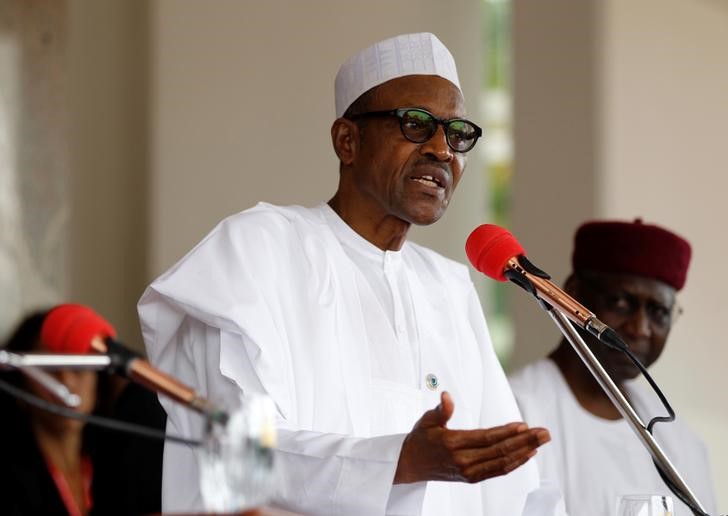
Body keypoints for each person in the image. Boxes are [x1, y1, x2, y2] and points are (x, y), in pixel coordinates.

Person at [138, 33, 559, 516]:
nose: (443, 150)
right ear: (347, 140)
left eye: (458, 133)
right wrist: (396, 462)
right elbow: (235, 451)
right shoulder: (255, 250)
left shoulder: (448, 288)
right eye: (417, 124)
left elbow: (514, 489)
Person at [508, 219, 717, 516]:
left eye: (659, 312)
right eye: (620, 302)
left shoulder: (681, 441)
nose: (640, 328)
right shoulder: (517, 410)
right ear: (572, 295)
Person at [0, 310, 167, 515]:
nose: (67, 381)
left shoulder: (112, 462)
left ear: (98, 382)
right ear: (22, 382)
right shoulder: (9, 475)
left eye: (78, 368)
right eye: (50, 370)